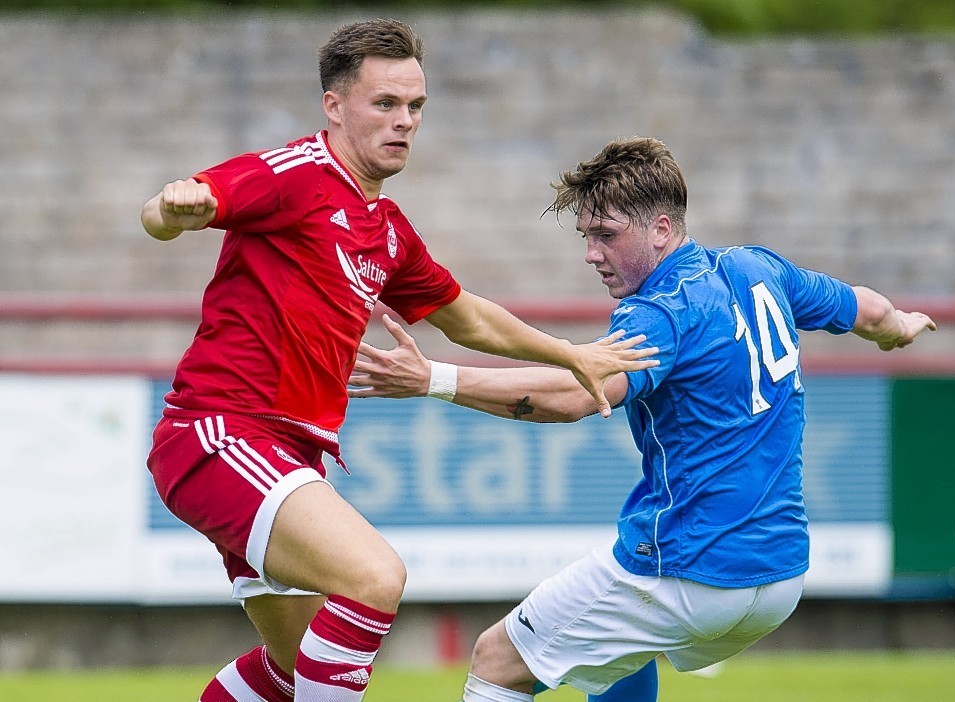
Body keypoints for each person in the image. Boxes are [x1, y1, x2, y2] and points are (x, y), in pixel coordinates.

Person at [139, 20, 652, 702]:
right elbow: (167, 209)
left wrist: (569, 352)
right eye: (384, 104)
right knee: (376, 577)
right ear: (334, 106)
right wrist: (175, 209)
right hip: (221, 436)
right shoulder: (296, 176)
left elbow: (463, 316)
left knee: (293, 672)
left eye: (414, 107)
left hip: (290, 455)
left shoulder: (386, 229)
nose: (404, 121)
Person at [349, 136, 939, 702]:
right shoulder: (759, 268)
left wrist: (435, 379)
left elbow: (576, 395)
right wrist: (900, 327)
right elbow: (869, 308)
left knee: (498, 658)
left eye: (606, 235)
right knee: (609, 660)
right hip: (782, 575)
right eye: (586, 236)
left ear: (661, 229)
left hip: (692, 567)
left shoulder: (662, 310)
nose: (591, 254)